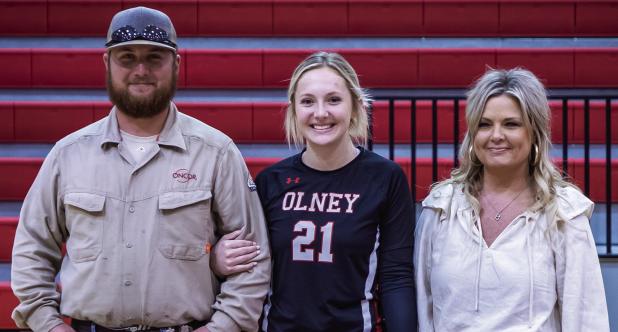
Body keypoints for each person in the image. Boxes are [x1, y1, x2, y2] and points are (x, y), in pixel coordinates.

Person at [11, 6, 270, 332]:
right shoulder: (69, 155)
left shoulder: (215, 153)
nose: (141, 69)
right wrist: (49, 325)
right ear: (107, 63)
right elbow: (32, 249)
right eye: (127, 57)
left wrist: (222, 328)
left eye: (154, 57)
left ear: (176, 64)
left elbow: (253, 261)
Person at [210, 51, 417, 331]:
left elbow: (395, 276)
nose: (320, 113)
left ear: (355, 106)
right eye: (308, 102)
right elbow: (250, 262)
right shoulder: (271, 181)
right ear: (294, 109)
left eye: (334, 100)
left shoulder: (385, 178)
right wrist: (216, 259)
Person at [414, 68, 609, 331]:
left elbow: (586, 319)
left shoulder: (564, 213)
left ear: (534, 132)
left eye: (511, 124)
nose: (496, 135)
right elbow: (421, 310)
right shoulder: (440, 207)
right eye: (484, 124)